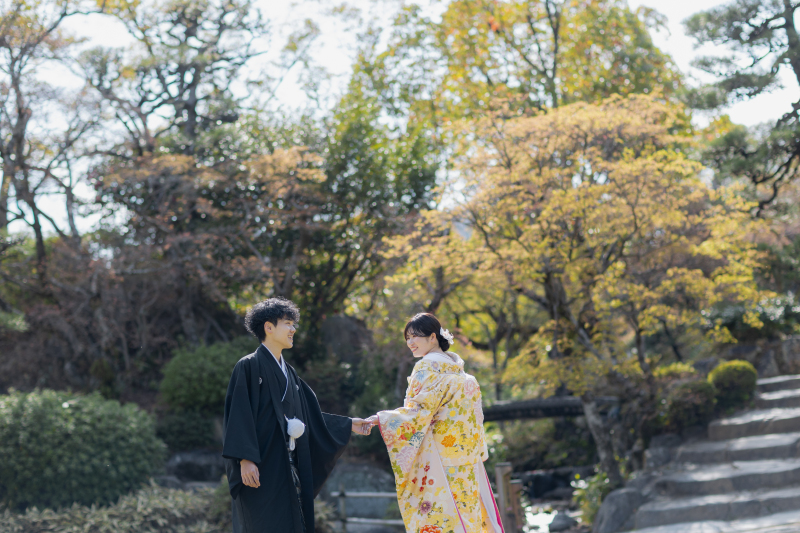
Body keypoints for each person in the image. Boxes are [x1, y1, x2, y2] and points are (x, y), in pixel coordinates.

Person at [222, 297, 372, 533]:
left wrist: (348, 424)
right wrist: (245, 459)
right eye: (287, 323)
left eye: (294, 324)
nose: (293, 329)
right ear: (268, 328)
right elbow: (239, 413)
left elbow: (307, 415)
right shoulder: (248, 366)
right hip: (261, 466)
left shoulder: (290, 373)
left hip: (289, 467)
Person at [366, 313, 504, 533]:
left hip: (439, 459)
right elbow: (475, 420)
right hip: (467, 461)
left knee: (443, 519)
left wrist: (381, 419)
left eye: (415, 337)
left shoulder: (425, 368)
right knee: (468, 517)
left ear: (432, 337)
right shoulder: (466, 377)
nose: (410, 343)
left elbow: (417, 412)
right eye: (407, 338)